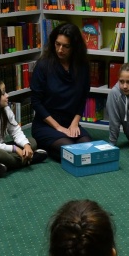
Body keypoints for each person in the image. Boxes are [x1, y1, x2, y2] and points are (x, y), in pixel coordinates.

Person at [30, 23, 93, 161]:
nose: (60, 49)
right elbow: (35, 102)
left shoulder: (82, 66)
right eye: (57, 44)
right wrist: (58, 127)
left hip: (70, 122)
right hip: (46, 123)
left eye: (66, 46)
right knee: (71, 150)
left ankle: (50, 148)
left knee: (88, 148)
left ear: (74, 47)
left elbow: (83, 97)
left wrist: (75, 123)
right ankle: (46, 148)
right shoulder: (43, 65)